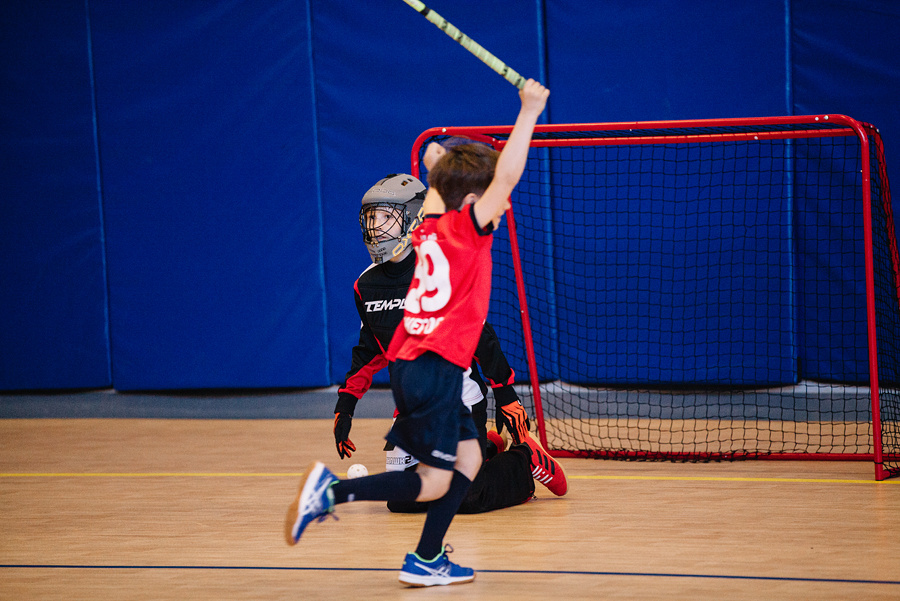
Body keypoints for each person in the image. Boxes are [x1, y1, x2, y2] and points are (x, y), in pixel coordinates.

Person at [285, 79, 551, 587]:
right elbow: (507, 175)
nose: (504, 203)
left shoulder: (428, 225)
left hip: (414, 366)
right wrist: (529, 111)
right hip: (433, 368)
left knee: (465, 462)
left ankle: (427, 559)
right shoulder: (465, 230)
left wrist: (438, 159)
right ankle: (331, 495)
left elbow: (436, 178)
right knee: (437, 479)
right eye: (494, 197)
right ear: (473, 200)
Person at [334, 170, 566, 515]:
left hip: (460, 397)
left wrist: (505, 394)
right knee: (402, 501)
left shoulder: (438, 267)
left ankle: (522, 459)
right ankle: (484, 449)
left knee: (464, 499)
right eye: (371, 218)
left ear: (413, 220)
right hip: (416, 407)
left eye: (385, 217)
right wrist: (346, 405)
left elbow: (479, 334)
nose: (374, 228)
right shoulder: (365, 287)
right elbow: (370, 349)